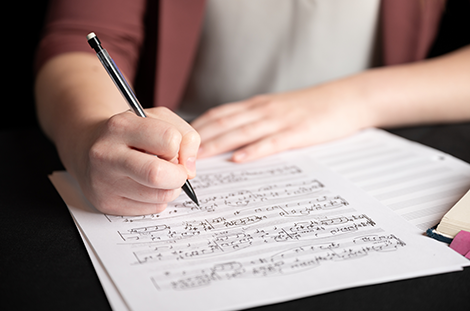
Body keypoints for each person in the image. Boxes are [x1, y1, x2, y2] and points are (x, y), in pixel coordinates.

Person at [35, 0, 470, 216]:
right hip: (183, 141)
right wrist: (91, 130)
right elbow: (81, 36)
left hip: (367, 147)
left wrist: (359, 98)